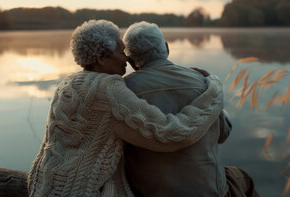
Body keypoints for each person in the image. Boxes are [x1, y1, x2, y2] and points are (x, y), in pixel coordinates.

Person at [27, 20, 225, 197]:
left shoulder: (66, 86)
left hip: (41, 185)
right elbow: (171, 134)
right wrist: (214, 91)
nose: (126, 60)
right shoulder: (111, 91)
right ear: (101, 58)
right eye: (121, 52)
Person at [123, 21, 259, 197]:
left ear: (130, 61)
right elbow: (223, 133)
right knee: (244, 180)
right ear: (166, 48)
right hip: (209, 191)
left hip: (148, 192)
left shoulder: (121, 91)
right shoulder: (203, 82)